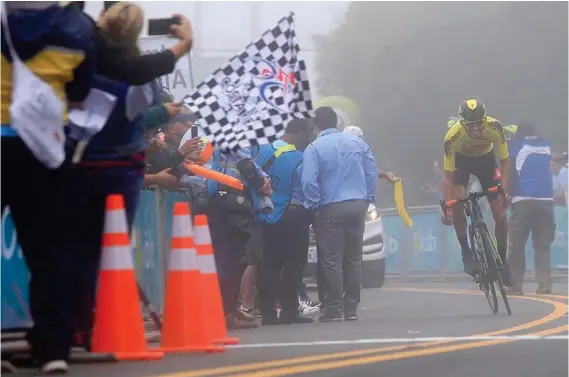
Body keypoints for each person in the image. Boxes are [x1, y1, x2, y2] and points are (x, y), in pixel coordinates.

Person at [1, 2, 96, 373]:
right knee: (51, 252)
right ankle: (53, 347)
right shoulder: (76, 28)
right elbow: (80, 94)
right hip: (42, 149)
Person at [302, 107, 378, 322]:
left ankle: (334, 308)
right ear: (337, 123)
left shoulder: (314, 148)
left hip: (330, 207)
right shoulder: (358, 143)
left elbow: (308, 180)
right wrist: (367, 199)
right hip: (357, 204)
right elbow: (371, 173)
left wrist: (314, 205)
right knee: (354, 258)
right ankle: (351, 308)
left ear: (316, 126)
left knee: (332, 260)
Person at [441, 99, 513, 286]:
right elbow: (448, 177)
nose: (475, 130)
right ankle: (466, 250)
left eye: (479, 124)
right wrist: (449, 205)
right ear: (462, 124)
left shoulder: (494, 127)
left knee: (500, 213)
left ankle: (503, 260)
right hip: (462, 162)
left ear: (485, 119)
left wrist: (504, 189)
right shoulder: (452, 137)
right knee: (458, 201)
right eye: (470, 126)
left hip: (487, 162)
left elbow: (505, 161)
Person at [257, 119, 315, 325]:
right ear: (300, 133)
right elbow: (307, 187)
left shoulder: (264, 151)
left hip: (267, 213)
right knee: (294, 265)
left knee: (270, 263)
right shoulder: (300, 158)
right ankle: (290, 311)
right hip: (293, 216)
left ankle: (267, 313)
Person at [506, 122, 556, 295]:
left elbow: (508, 167)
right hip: (545, 199)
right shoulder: (545, 144)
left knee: (517, 244)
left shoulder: (515, 144)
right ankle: (544, 283)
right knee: (542, 245)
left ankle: (515, 284)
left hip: (522, 199)